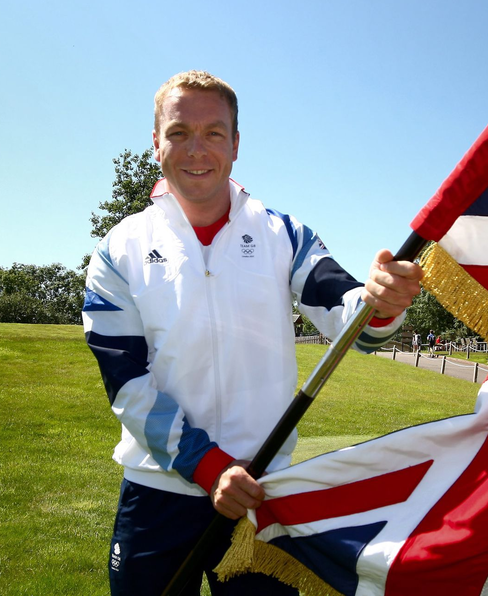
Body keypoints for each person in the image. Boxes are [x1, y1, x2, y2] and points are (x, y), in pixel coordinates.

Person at [82, 71, 422, 596]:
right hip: (158, 490)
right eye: (178, 132)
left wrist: (382, 302)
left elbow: (349, 313)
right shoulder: (118, 248)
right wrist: (208, 466)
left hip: (261, 489)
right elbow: (127, 383)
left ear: (236, 145)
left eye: (214, 133)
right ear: (156, 143)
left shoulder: (283, 234)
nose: (197, 149)